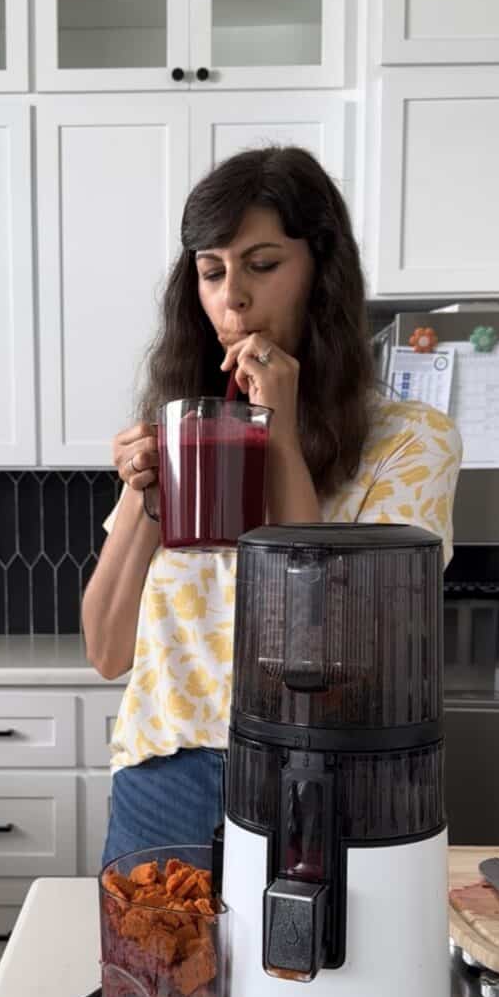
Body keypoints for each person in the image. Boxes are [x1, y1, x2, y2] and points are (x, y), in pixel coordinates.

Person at [82, 146, 462, 866]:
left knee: (311, 976)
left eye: (262, 264)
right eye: (212, 271)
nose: (233, 300)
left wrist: (279, 434)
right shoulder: (184, 431)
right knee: (157, 981)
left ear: (321, 271)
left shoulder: (412, 442)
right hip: (165, 774)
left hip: (322, 778)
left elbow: (332, 647)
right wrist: (143, 501)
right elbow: (105, 650)